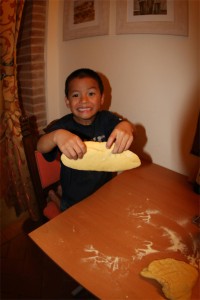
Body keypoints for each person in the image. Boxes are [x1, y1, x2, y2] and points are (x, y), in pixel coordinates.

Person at [37, 68, 135, 213]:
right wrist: (56, 136)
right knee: (71, 216)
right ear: (67, 101)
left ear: (101, 98)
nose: (83, 100)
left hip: (104, 191)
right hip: (74, 196)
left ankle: (57, 193)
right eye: (76, 95)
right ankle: (56, 197)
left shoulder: (106, 119)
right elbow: (40, 146)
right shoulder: (63, 126)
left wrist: (126, 127)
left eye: (91, 93)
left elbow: (125, 126)